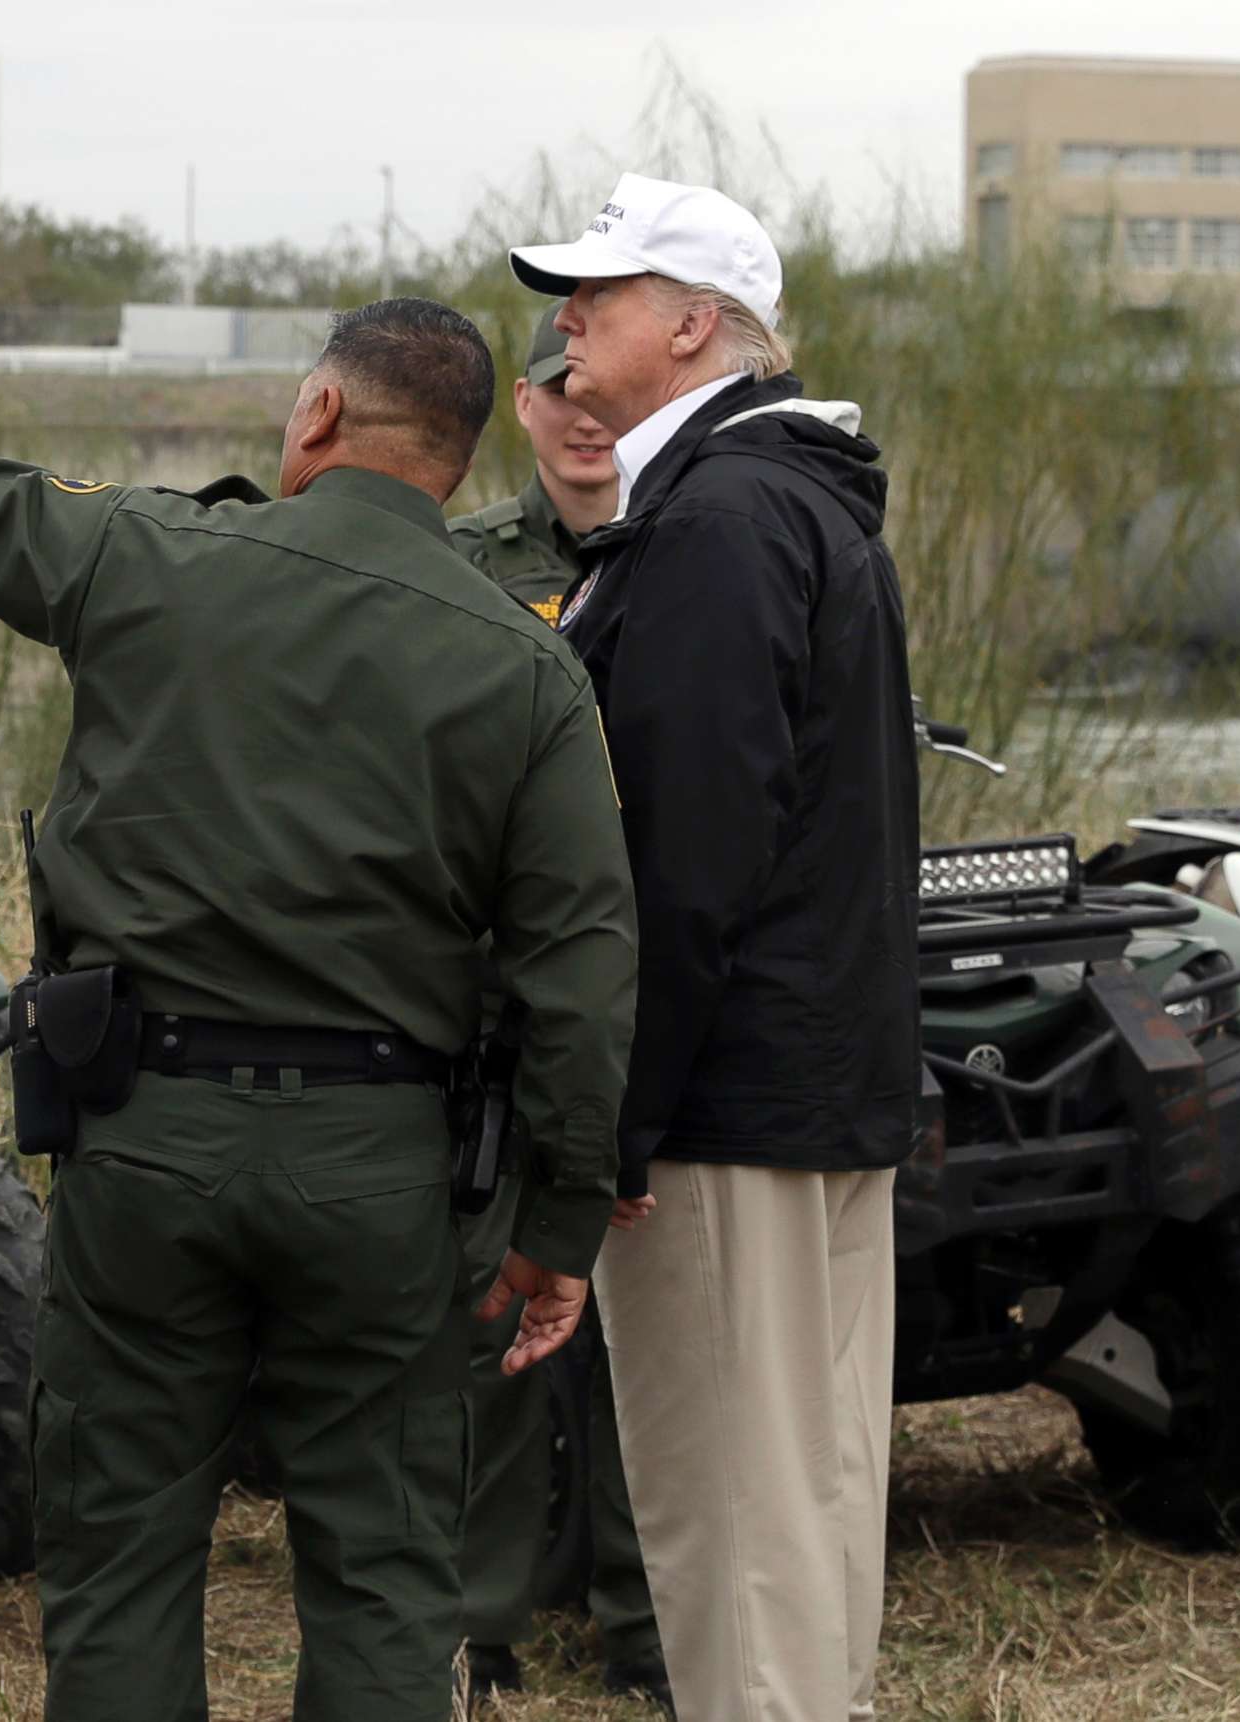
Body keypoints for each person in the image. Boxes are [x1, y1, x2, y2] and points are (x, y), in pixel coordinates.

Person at [0, 300, 639, 1722]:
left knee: (120, 1556)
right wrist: (563, 1222)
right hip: (387, 1169)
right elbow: (586, 964)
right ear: (463, 450)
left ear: (314, 418)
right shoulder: (529, 664)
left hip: (148, 1143)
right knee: (382, 1569)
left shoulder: (151, 554)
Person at [508, 173, 920, 1722]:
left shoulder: (719, 523)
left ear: (691, 328)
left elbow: (678, 864)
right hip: (807, 1084)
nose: (565, 322)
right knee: (802, 1504)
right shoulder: (787, 502)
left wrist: (604, 1126)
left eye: (596, 299)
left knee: (735, 1525)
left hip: (725, 1111)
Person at [445, 301, 661, 1714]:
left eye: (601, 390)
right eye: (554, 390)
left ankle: (651, 1615)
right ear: (521, 408)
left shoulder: (698, 548)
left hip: (663, 993)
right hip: (504, 997)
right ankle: (485, 1612)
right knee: (501, 1320)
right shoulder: (462, 569)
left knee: (660, 1332)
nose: (582, 416)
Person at [448, 301, 617, 621]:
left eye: (605, 394)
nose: (589, 422)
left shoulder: (684, 546)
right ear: (524, 401)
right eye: (564, 393)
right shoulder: (461, 557)